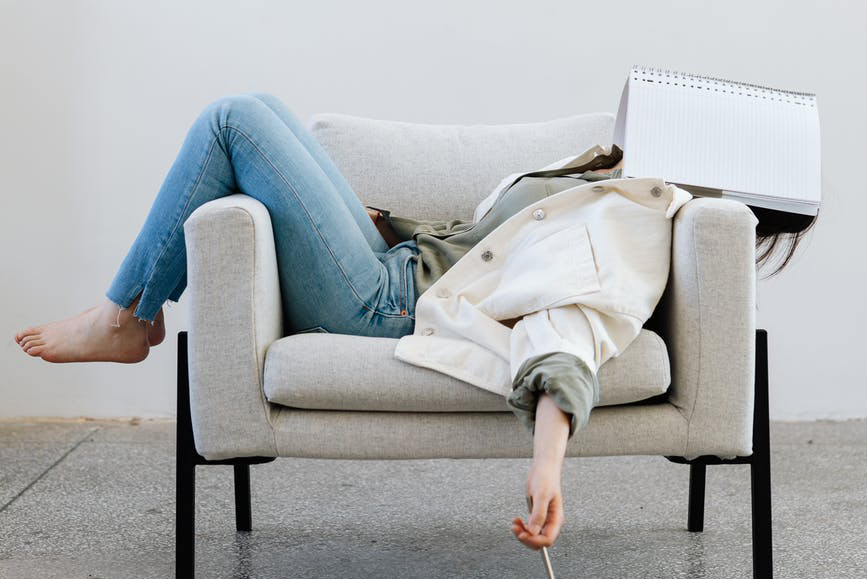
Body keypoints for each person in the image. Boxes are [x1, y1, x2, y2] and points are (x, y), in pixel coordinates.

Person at [13, 93, 816, 552]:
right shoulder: (616, 176)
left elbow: (571, 325)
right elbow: (483, 249)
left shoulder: (644, 220)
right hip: (391, 263)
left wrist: (547, 464)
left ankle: (125, 315)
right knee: (252, 108)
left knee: (233, 119)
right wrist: (382, 224)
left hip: (384, 304)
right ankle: (128, 310)